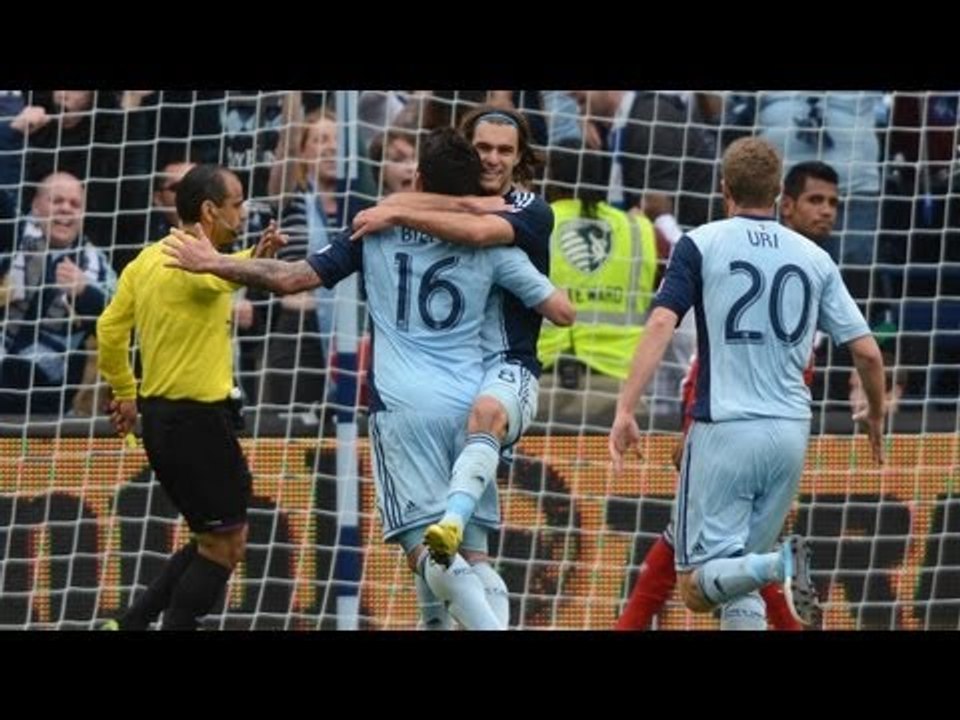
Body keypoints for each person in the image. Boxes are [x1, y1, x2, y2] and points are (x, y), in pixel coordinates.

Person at [161, 128, 574, 630]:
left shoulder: (373, 229)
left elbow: (292, 278)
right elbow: (559, 310)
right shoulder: (493, 243)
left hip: (403, 409)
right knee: (473, 553)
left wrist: (216, 262)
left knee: (426, 552)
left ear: (417, 179)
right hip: (469, 406)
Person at [608, 138, 886, 630]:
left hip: (725, 428)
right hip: (790, 434)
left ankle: (779, 564)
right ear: (779, 194)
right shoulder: (815, 259)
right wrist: (876, 414)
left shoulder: (702, 243)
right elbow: (867, 351)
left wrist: (626, 408)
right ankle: (771, 565)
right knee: (740, 580)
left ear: (724, 189)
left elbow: (662, 322)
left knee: (695, 586)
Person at [350, 106, 554, 592]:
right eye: (483, 148)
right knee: (464, 564)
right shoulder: (439, 203)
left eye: (505, 150)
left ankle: (454, 521)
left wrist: (400, 210)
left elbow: (481, 232)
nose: (493, 159)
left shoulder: (530, 209)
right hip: (454, 381)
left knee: (484, 420)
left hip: (508, 367)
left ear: (520, 157)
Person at [96, 164, 284, 630]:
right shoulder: (195, 263)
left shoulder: (145, 261)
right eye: (237, 203)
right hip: (198, 424)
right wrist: (256, 261)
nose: (243, 211)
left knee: (209, 540)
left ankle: (130, 624)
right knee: (225, 548)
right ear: (209, 210)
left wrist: (126, 393)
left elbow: (109, 330)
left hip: (162, 422)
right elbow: (219, 277)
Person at [0, 171, 116, 415]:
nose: (66, 208)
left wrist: (86, 294)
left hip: (48, 391)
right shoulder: (13, 237)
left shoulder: (97, 264)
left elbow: (119, 326)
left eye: (75, 204)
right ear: (36, 205)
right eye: (57, 200)